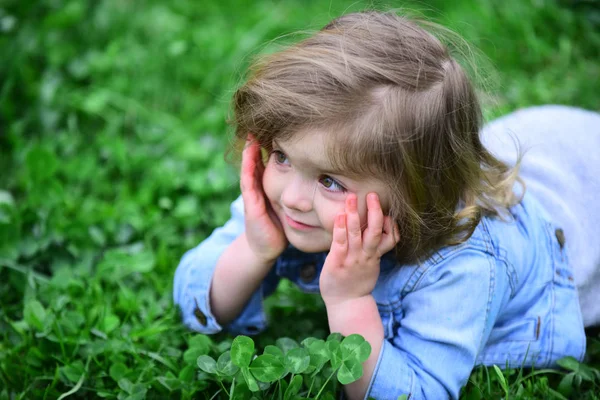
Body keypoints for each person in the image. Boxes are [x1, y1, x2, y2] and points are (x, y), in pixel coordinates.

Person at [173, 11, 600, 400]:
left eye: (330, 181)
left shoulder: (464, 264)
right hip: (547, 142)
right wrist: (253, 248)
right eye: (281, 156)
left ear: (415, 195)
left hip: (584, 202)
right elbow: (193, 297)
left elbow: (415, 392)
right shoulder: (294, 197)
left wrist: (348, 302)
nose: (291, 197)